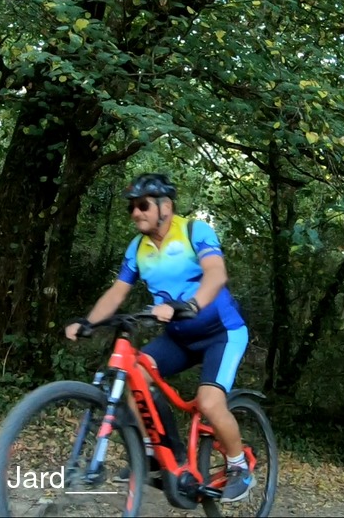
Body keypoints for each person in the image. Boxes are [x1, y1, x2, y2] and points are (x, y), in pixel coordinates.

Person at [64, 173, 252, 503]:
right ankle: (158, 454)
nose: (135, 213)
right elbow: (118, 291)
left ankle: (240, 467)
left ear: (166, 206)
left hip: (221, 333)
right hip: (179, 337)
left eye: (143, 205)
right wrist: (88, 322)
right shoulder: (138, 248)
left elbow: (216, 273)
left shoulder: (194, 231)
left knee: (209, 402)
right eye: (131, 207)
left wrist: (191, 305)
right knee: (135, 375)